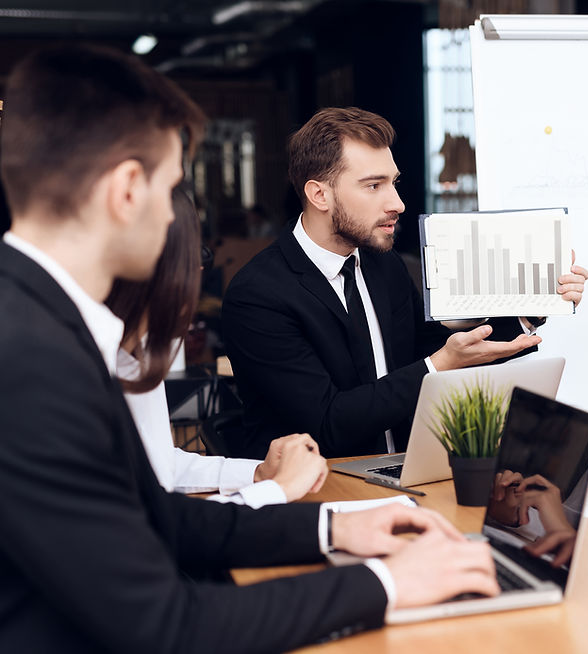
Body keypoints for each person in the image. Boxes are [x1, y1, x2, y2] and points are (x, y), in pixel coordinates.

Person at [0, 44, 498, 653]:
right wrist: (389, 582)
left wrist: (336, 527)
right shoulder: (29, 360)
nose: (176, 220)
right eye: (171, 188)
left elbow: (158, 516)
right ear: (128, 190)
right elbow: (167, 625)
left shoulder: (41, 325)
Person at [222, 107, 588, 459]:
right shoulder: (258, 295)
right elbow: (327, 423)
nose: (397, 203)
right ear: (319, 194)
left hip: (404, 468)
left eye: (393, 183)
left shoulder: (383, 264)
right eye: (373, 186)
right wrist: (439, 364)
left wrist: (529, 312)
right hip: (317, 491)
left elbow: (426, 350)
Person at [106, 187, 322, 507]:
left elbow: (161, 468)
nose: (200, 271)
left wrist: (259, 473)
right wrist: (278, 490)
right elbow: (148, 524)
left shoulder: (132, 356)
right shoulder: (84, 366)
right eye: (193, 255)